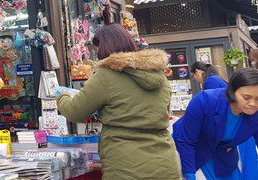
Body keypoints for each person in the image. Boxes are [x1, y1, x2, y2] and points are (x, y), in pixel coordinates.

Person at [56, 24, 180, 179]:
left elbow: (74, 111)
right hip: (165, 164)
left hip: (126, 167)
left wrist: (62, 95)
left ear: (105, 48)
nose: (96, 56)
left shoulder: (106, 75)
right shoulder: (159, 75)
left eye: (97, 50)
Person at [173, 68, 258, 179]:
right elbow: (186, 141)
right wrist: (189, 173)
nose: (253, 104)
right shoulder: (204, 101)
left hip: (224, 156)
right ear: (232, 91)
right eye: (246, 97)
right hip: (192, 151)